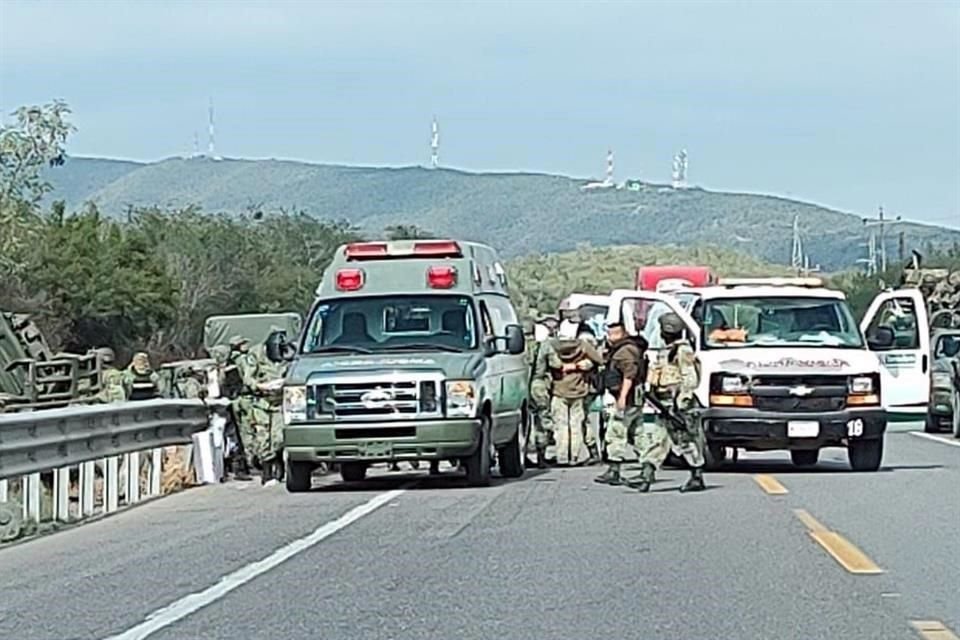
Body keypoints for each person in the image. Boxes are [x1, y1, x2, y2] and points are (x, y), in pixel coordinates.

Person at [627, 312, 706, 493]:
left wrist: (681, 404)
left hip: (678, 406)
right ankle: (646, 475)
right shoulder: (669, 350)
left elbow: (689, 380)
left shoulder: (682, 351)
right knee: (656, 439)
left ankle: (697, 476)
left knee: (686, 443)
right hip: (663, 403)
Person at [595, 321, 646, 485]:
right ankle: (647, 467)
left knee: (616, 432)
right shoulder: (621, 349)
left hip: (627, 398)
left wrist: (622, 397)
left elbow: (629, 375)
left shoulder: (625, 351)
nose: (610, 337)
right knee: (637, 433)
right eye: (609, 334)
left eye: (614, 334)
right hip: (630, 398)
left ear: (622, 334)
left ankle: (614, 470)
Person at [546, 319, 603, 466]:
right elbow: (599, 360)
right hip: (579, 390)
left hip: (559, 389)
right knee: (576, 425)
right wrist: (583, 364)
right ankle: (574, 457)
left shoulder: (551, 345)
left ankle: (562, 456)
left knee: (561, 425)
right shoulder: (583, 345)